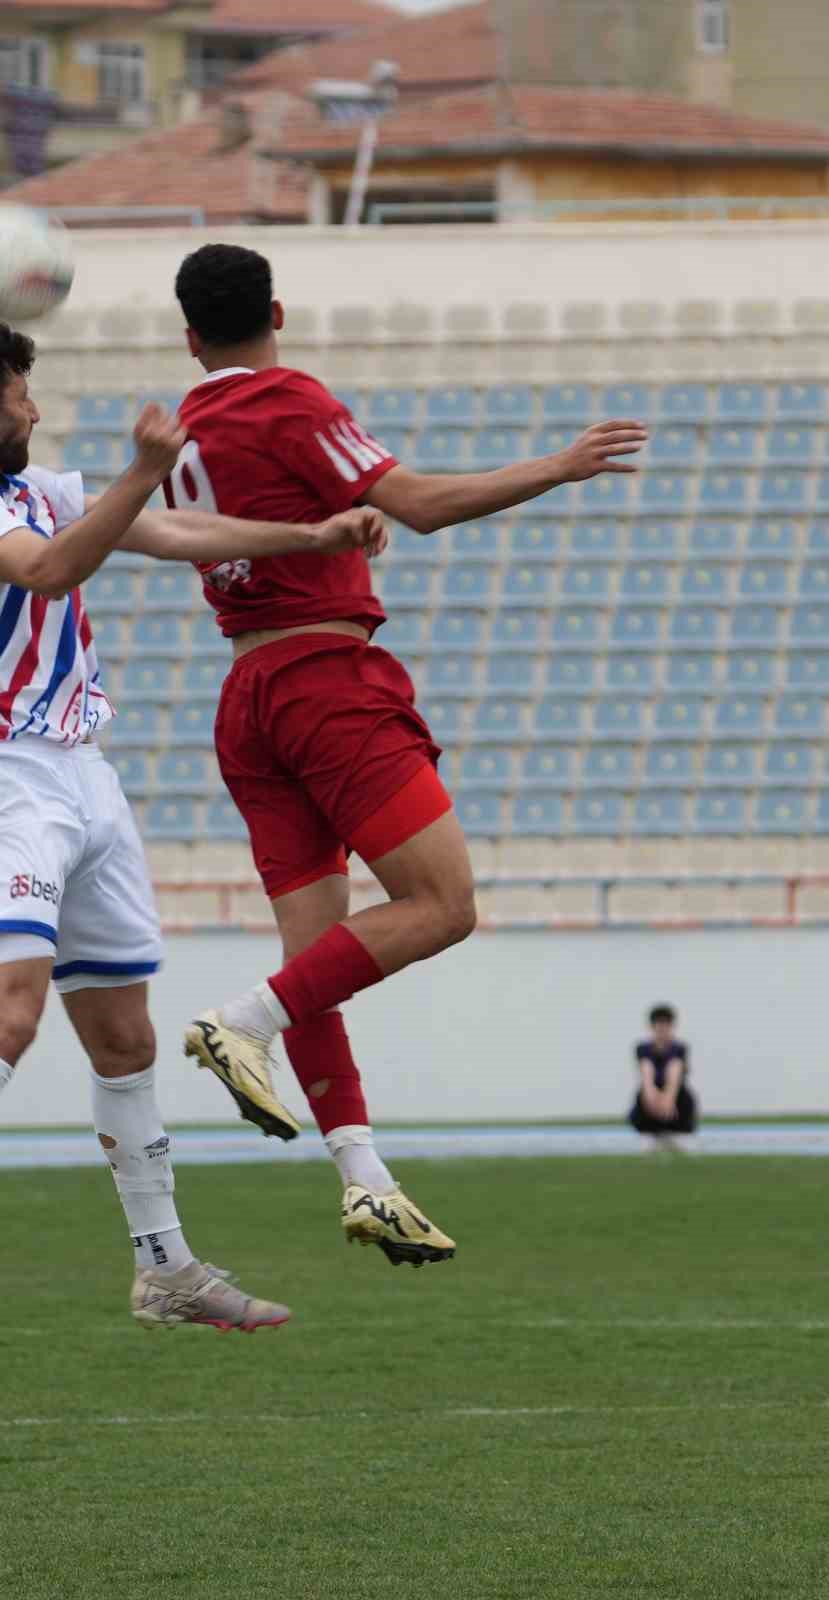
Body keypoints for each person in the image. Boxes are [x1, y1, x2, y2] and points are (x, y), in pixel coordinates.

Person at [0, 312, 386, 1366]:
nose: (34, 410)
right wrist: (139, 473)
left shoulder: (34, 487)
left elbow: (171, 532)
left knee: (125, 1039)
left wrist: (309, 537)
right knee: (9, 1014)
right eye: (21, 396)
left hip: (85, 776)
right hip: (10, 776)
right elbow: (48, 571)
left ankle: (163, 1266)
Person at [166, 243, 649, 1266]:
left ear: (189, 336)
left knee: (317, 962)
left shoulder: (183, 429)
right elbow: (417, 503)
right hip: (324, 685)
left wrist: (332, 532)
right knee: (442, 904)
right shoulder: (287, 398)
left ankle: (365, 1181)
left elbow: (251, 522)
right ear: (276, 314)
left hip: (246, 695)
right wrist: (557, 466)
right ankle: (238, 1021)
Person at [630, 1004, 697, 1150]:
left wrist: (668, 1098)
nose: (662, 1029)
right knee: (647, 1072)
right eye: (658, 1025)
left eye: (666, 1025)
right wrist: (652, 1095)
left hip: (676, 1100)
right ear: (652, 1026)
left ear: (671, 1026)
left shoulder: (679, 1048)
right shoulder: (643, 1048)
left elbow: (676, 1071)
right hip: (650, 1099)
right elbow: (646, 1071)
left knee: (674, 1067)